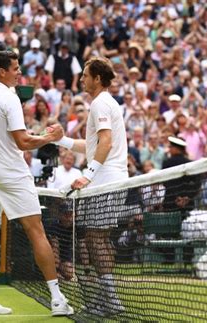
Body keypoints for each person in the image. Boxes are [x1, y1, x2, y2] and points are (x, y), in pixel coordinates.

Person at [0, 50, 72, 316]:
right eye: (15, 68)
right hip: (12, 174)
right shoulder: (10, 98)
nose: (19, 72)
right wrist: (51, 136)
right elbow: (23, 142)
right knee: (35, 230)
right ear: (2, 71)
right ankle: (58, 299)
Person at [53, 57, 128, 315]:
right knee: (99, 238)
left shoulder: (100, 103)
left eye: (85, 75)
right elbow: (94, 145)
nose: (82, 79)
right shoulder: (105, 103)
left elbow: (105, 142)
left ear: (97, 78)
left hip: (106, 179)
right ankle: (108, 298)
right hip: (111, 177)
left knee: (96, 238)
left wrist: (89, 173)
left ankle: (111, 301)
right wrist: (61, 140)